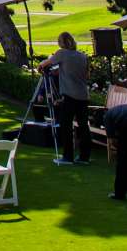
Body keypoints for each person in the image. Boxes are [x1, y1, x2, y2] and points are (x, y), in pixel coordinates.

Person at [42, 31, 93, 166]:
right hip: (83, 95)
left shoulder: (62, 53)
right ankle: (84, 156)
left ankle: (68, 156)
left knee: (66, 125)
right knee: (83, 126)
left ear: (61, 43)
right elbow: (85, 74)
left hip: (70, 95)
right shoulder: (82, 56)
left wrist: (42, 67)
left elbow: (46, 63)